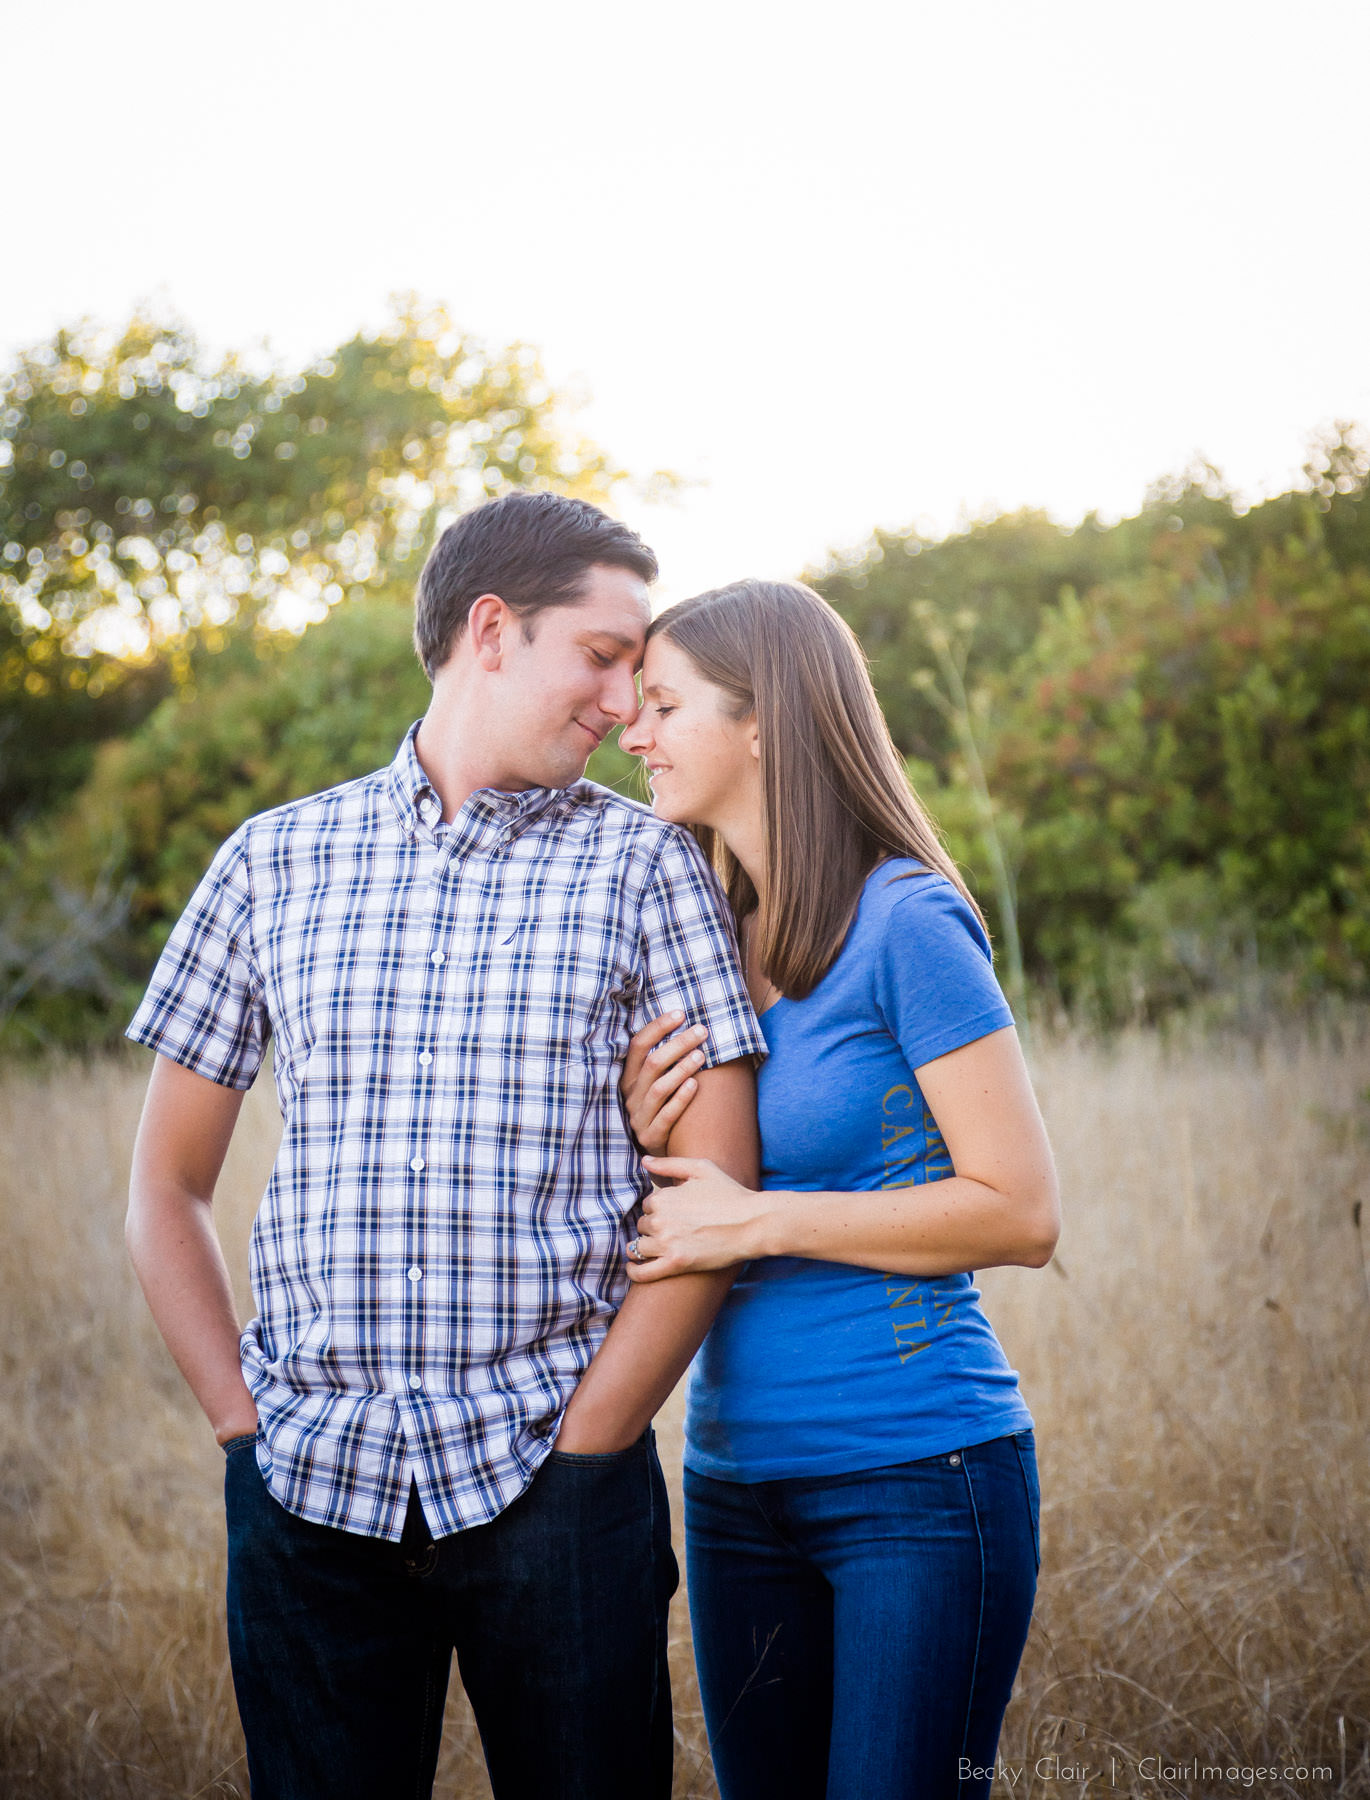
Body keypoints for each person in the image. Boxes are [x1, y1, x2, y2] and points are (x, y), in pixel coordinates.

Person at [123, 492, 766, 1800]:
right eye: (599, 656)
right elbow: (163, 1190)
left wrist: (594, 1444)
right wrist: (245, 1434)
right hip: (310, 1492)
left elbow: (723, 1198)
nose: (619, 702)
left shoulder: (649, 870)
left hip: (557, 1483)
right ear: (490, 629)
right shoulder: (270, 864)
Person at [616, 578, 1060, 1800]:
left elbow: (1019, 1211)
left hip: (918, 1481)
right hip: (730, 1486)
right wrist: (639, 1128)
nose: (629, 730)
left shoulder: (904, 922)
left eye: (661, 703)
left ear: (765, 719)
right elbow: (678, 1209)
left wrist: (755, 1217)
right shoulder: (696, 929)